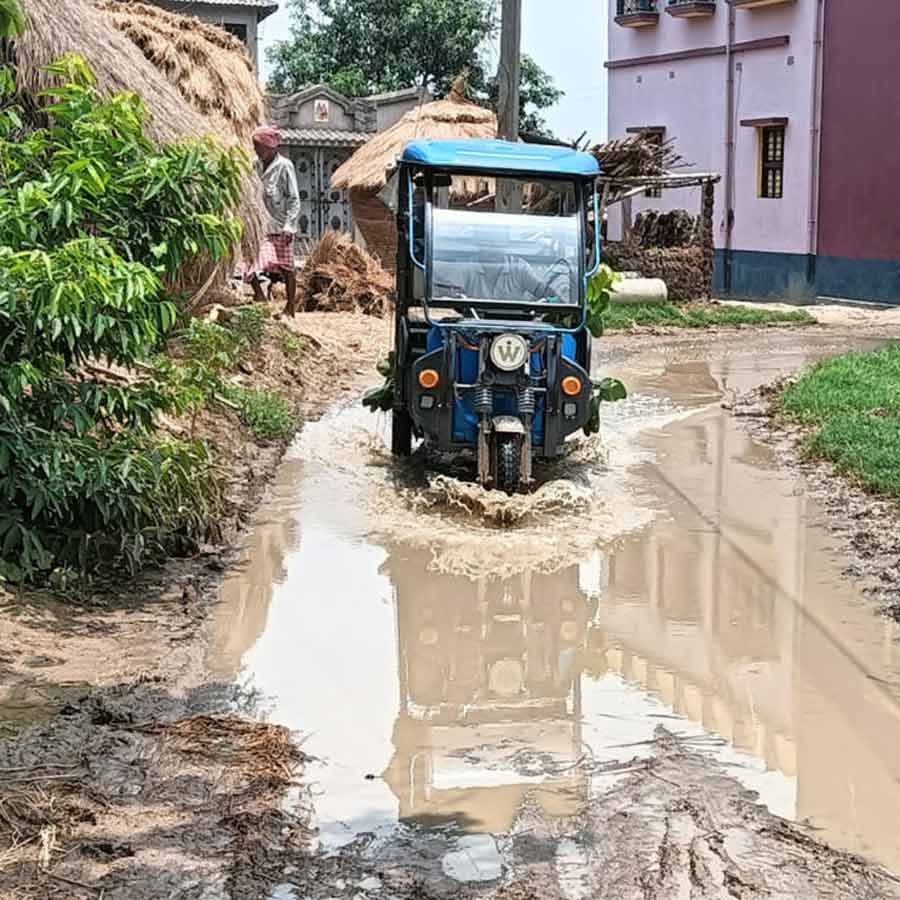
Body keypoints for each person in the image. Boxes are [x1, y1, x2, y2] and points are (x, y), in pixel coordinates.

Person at [244, 126, 301, 316]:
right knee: (251, 261)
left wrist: (289, 226)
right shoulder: (254, 165)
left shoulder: (284, 166)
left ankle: (290, 306)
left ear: (270, 147)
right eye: (255, 146)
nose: (256, 150)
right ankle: (259, 294)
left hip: (280, 224)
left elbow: (293, 198)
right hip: (261, 225)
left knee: (287, 268)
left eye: (258, 146)